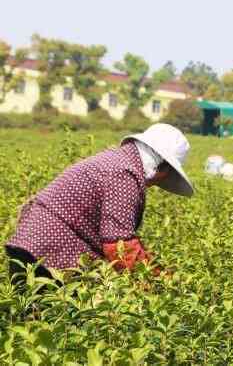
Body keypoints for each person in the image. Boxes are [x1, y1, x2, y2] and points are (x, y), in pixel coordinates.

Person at [4, 123, 194, 287]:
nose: (156, 184)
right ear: (162, 167)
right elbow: (119, 244)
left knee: (29, 319)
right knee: (44, 319)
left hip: (32, 244)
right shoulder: (124, 174)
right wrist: (158, 281)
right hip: (48, 253)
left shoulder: (117, 160)